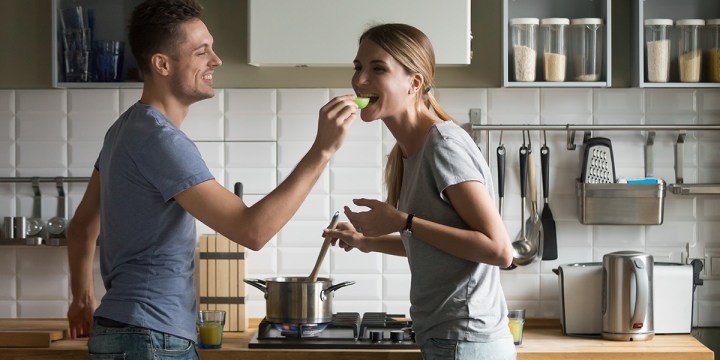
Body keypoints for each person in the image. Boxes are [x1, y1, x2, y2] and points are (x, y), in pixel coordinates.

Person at [66, 0, 358, 358]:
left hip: (123, 331)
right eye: (202, 52)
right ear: (162, 64)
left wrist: (82, 298)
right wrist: (322, 152)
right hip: (151, 338)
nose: (216, 61)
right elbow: (252, 231)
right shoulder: (160, 139)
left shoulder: (124, 129)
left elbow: (81, 227)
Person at [324, 23, 516, 360]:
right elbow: (439, 247)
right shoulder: (407, 152)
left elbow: (500, 251)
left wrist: (403, 221)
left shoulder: (443, 145)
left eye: (377, 68)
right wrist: (367, 241)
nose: (359, 80)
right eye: (358, 67)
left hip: (466, 339)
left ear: (415, 82)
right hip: (448, 338)